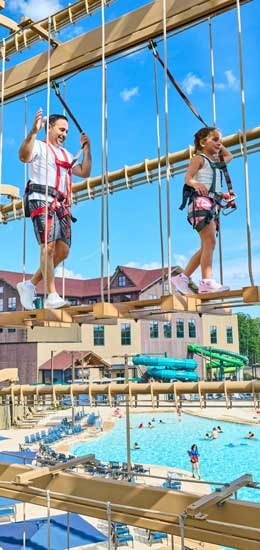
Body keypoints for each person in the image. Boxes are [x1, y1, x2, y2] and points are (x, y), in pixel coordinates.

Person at [16, 108, 92, 309]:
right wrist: (33, 132)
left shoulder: (66, 154)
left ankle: (30, 285)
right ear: (49, 128)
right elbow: (23, 157)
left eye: (66, 131)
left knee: (63, 251)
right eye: (61, 129)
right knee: (47, 247)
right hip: (40, 198)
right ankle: (51, 295)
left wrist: (86, 150)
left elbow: (84, 172)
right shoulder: (39, 147)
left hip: (60, 204)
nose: (64, 134)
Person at [172, 127, 233, 294]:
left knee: (207, 245)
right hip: (201, 203)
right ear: (202, 142)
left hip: (210, 204)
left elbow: (229, 156)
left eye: (220, 141)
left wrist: (218, 141)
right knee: (210, 243)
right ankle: (206, 282)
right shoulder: (199, 158)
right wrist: (195, 183)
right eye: (215, 140)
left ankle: (182, 278)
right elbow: (188, 177)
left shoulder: (214, 163)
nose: (219, 143)